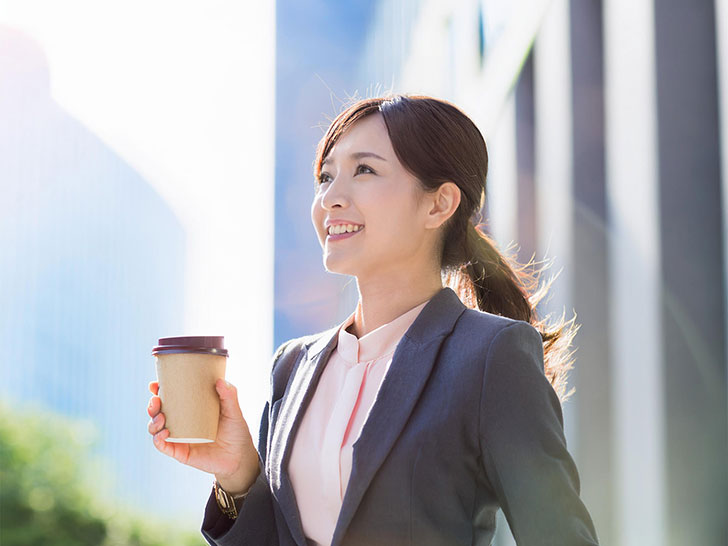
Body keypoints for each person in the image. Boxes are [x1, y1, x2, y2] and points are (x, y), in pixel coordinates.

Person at [147, 94, 600, 545]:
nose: (330, 199)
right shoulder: (292, 365)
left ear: (438, 204)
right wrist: (238, 473)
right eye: (325, 177)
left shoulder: (490, 355)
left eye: (364, 170)